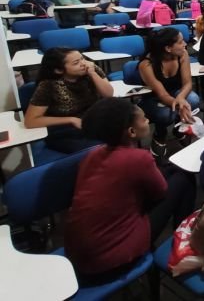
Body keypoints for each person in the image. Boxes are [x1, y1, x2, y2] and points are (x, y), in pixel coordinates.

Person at [64, 98, 196, 284]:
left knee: (172, 170)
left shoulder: (92, 155)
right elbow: (160, 193)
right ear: (131, 132)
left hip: (78, 255)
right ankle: (185, 240)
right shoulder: (138, 159)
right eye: (143, 119)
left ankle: (184, 236)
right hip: (110, 259)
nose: (148, 122)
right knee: (183, 179)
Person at [25, 47, 114, 153]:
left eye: (82, 58)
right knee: (98, 150)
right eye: (76, 62)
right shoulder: (49, 85)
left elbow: (108, 94)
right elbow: (30, 121)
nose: (84, 64)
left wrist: (93, 74)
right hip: (64, 129)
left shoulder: (90, 69)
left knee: (120, 137)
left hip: (92, 121)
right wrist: (71, 119)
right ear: (59, 70)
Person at [138, 28, 200, 161]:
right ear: (168, 48)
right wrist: (180, 105)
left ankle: (178, 129)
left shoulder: (182, 54)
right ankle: (160, 134)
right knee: (165, 114)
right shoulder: (146, 64)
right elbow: (161, 94)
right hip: (152, 98)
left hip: (175, 93)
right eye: (180, 42)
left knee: (193, 99)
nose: (185, 44)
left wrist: (181, 99)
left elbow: (188, 83)